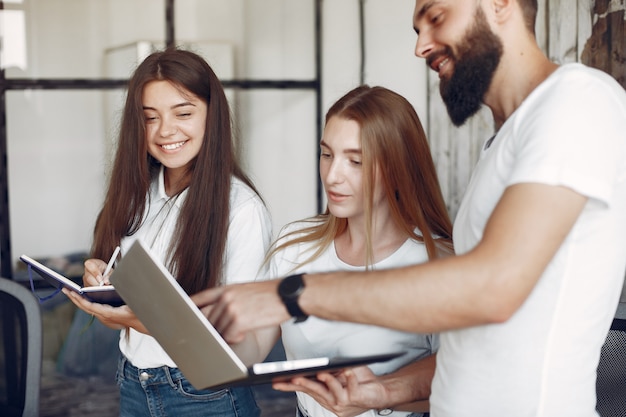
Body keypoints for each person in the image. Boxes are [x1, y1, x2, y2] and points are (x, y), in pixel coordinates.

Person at [192, 1, 626, 417]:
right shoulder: (503, 143)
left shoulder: (577, 101)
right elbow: (471, 344)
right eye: (417, 29)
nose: (420, 45)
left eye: (436, 17)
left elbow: (493, 288)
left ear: (499, 4)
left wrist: (293, 295)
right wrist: (380, 391)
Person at [63, 48, 274, 417]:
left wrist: (137, 320)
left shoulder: (242, 210)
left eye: (183, 113)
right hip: (132, 383)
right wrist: (101, 281)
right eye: (150, 117)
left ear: (212, 115)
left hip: (205, 396)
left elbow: (238, 344)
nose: (165, 131)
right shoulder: (136, 195)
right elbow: (125, 299)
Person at [267, 85, 452, 417]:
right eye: (327, 154)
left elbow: (457, 382)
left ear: (398, 169)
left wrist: (377, 396)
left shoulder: (437, 266)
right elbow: (248, 347)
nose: (333, 175)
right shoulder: (294, 248)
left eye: (355, 161)